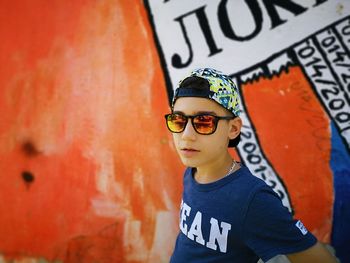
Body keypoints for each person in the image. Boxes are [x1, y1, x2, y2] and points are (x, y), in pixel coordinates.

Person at [164, 68, 338, 262]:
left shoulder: (252, 199)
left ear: (233, 128)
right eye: (178, 120)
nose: (186, 135)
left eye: (203, 121)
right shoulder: (192, 171)